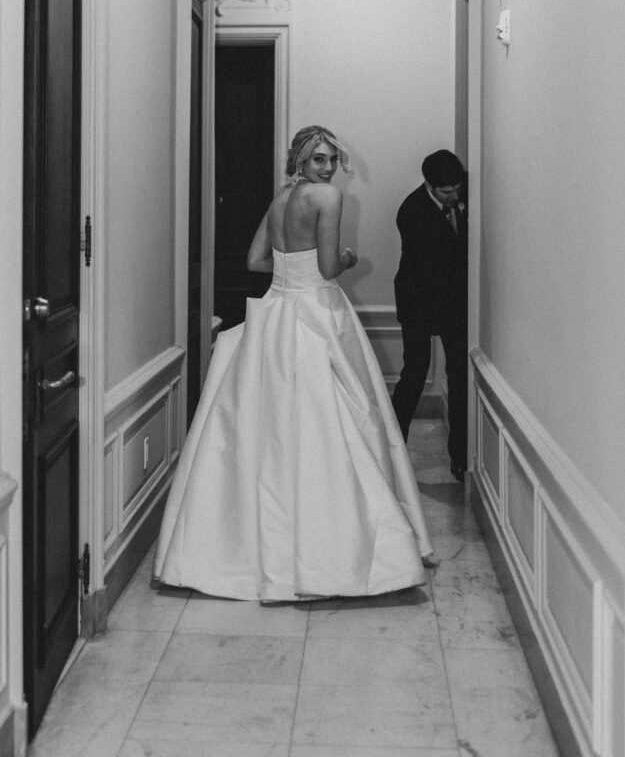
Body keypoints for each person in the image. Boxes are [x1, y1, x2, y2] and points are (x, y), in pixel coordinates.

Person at [153, 125, 433, 602]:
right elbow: (327, 268)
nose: (326, 168)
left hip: (276, 312)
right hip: (317, 312)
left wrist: (291, 268)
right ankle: (337, 548)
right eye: (318, 159)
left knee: (267, 428)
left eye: (330, 159)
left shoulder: (281, 200)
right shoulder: (327, 197)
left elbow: (255, 261)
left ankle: (239, 551)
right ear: (300, 161)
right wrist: (346, 257)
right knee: (334, 422)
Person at [391, 150, 468, 481]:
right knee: (414, 375)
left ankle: (460, 460)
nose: (454, 196)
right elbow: (436, 264)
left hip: (452, 305)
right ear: (429, 185)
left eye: (457, 189)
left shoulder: (459, 204)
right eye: (447, 191)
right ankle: (393, 451)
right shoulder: (411, 211)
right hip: (419, 301)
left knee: (460, 376)